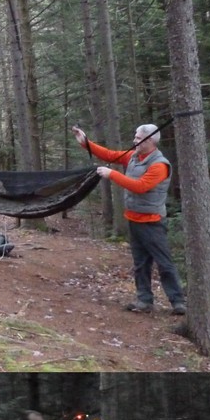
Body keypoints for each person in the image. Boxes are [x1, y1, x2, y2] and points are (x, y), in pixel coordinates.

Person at [71, 124, 186, 316]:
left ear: (149, 141)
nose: (134, 141)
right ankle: (144, 300)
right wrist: (85, 142)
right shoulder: (133, 156)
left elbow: (140, 186)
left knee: (164, 263)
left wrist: (112, 174)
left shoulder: (159, 165)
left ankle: (178, 302)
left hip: (152, 222)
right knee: (140, 263)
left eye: (138, 138)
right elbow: (110, 155)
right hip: (134, 220)